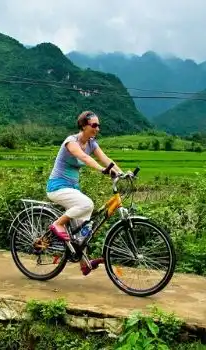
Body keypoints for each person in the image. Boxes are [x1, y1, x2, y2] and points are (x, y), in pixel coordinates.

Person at [45, 110, 124, 276]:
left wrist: (122, 174)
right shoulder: (71, 142)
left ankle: (84, 263)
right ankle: (58, 224)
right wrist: (103, 170)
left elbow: (106, 159)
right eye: (94, 125)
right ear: (83, 125)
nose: (97, 128)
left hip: (73, 189)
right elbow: (85, 158)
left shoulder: (92, 144)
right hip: (57, 187)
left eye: (98, 125)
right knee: (87, 204)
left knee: (84, 229)